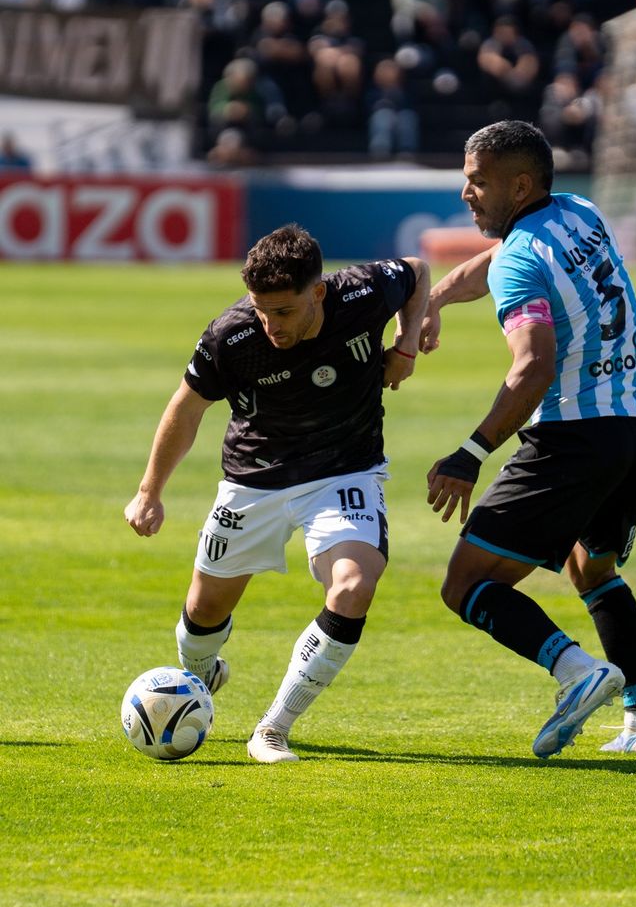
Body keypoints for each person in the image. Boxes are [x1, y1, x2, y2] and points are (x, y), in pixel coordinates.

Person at [125, 224, 430, 764]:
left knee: (354, 587)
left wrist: (406, 345)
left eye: (283, 312)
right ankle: (198, 677)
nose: (270, 325)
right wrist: (150, 492)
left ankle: (272, 728)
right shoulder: (232, 337)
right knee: (202, 615)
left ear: (318, 292)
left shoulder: (361, 292)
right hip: (253, 479)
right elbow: (187, 408)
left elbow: (418, 272)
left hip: (344, 473)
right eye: (261, 309)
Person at [421, 120, 636, 759]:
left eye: (478, 182)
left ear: (520, 184)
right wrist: (441, 298)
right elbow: (501, 256)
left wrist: (470, 452)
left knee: (467, 582)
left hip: (572, 442)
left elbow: (532, 365)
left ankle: (578, 672)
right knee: (591, 569)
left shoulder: (518, 259)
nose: (466, 193)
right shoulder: (579, 212)